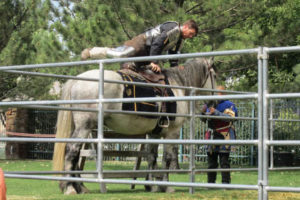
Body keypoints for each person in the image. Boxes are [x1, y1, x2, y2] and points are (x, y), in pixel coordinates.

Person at [81, 20, 198, 72]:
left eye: (193, 36)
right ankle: (92, 51)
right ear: (186, 27)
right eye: (191, 33)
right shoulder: (173, 28)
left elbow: (173, 56)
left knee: (156, 74)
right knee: (121, 54)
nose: (191, 36)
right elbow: (157, 43)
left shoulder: (180, 40)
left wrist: (176, 68)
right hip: (142, 43)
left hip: (150, 53)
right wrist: (154, 62)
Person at [201, 85, 238, 184]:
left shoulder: (229, 104)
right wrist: (202, 113)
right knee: (211, 162)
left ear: (223, 93)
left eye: (218, 92)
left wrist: (216, 112)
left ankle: (226, 184)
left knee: (224, 162)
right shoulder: (210, 104)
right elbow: (204, 120)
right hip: (212, 134)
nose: (215, 94)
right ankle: (210, 183)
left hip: (224, 134)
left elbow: (231, 118)